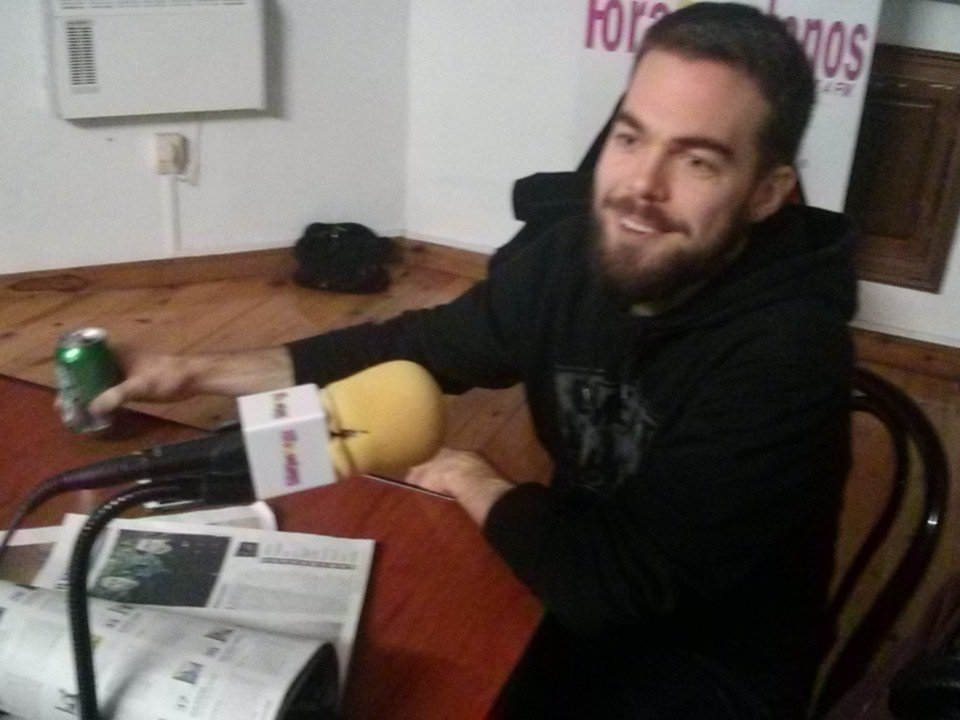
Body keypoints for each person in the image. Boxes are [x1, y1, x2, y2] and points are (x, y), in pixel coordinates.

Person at [90, 4, 857, 718]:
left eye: (697, 161)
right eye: (631, 139)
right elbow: (410, 348)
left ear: (767, 193)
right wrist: (188, 372)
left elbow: (613, 585)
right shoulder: (570, 258)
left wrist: (480, 483)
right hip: (570, 586)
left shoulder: (787, 351)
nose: (640, 187)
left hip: (703, 667)